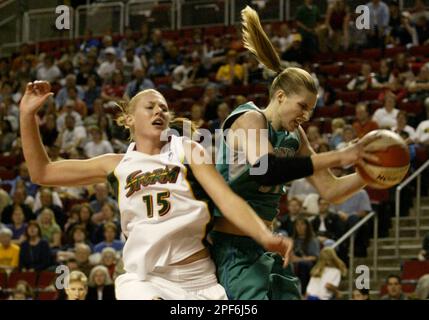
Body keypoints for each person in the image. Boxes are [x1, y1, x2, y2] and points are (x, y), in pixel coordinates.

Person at [19, 80, 293, 300]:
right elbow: (42, 172)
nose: (159, 111)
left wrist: (264, 235)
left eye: (163, 108)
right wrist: (27, 114)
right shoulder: (116, 164)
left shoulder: (187, 151)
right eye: (150, 107)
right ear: (129, 120)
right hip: (145, 279)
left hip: (199, 279)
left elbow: (226, 199)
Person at [210, 6, 382, 300]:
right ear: (279, 96)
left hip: (268, 247)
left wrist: (371, 172)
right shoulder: (249, 118)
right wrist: (341, 156)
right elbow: (267, 168)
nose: (306, 116)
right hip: (232, 248)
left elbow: (331, 189)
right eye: (302, 106)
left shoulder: (294, 135)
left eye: (312, 111)